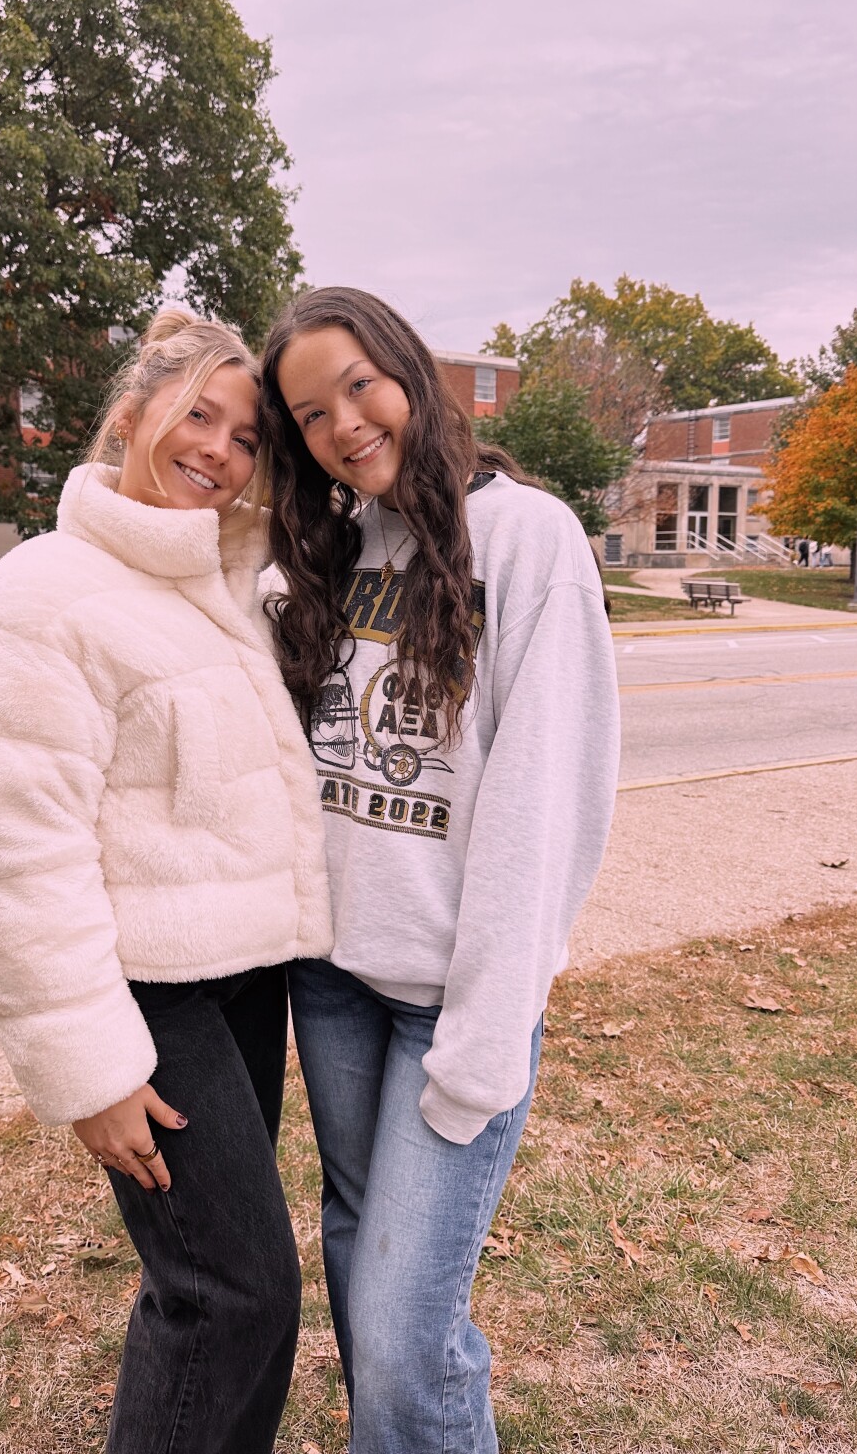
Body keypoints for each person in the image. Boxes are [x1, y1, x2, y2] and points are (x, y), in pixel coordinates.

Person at [0, 311, 332, 1454]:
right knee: (230, 1291)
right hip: (149, 1001)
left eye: (247, 436)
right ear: (131, 413)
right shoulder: (42, 593)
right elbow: (7, 853)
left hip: (242, 981)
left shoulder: (223, 583)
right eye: (198, 414)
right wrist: (93, 1068)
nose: (219, 449)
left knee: (232, 1287)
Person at [258, 287, 620, 1454]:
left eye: (358, 386)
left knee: (406, 1333)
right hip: (334, 982)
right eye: (310, 415)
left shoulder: (527, 537)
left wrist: (484, 1038)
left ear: (409, 370)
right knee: (362, 1263)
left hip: (448, 1005)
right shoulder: (330, 548)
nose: (344, 426)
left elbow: (543, 806)